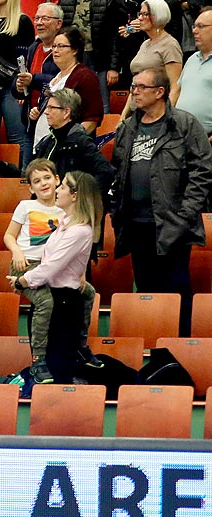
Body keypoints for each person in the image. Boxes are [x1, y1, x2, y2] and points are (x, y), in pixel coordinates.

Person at [110, 68, 212, 329]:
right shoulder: (127, 128)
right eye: (134, 86)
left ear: (160, 92)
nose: (135, 91)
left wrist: (186, 214)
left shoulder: (185, 125)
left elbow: (202, 172)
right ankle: (153, 343)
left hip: (171, 224)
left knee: (175, 289)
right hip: (135, 224)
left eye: (142, 87)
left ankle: (177, 347)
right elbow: (118, 172)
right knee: (146, 289)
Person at [11, 171, 102, 387]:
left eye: (62, 187)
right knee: (49, 374)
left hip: (63, 305)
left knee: (58, 373)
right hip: (50, 296)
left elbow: (50, 268)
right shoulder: (64, 223)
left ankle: (78, 347)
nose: (57, 190)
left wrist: (21, 281)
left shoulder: (79, 231)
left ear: (74, 196)